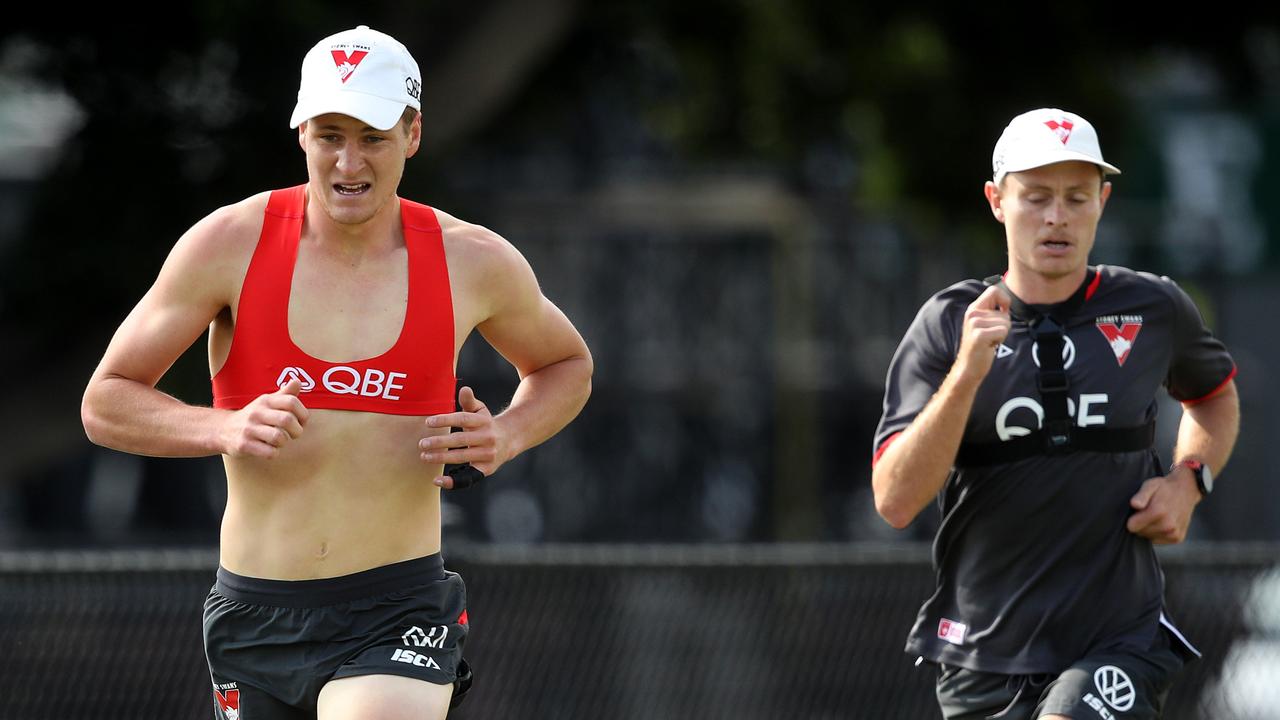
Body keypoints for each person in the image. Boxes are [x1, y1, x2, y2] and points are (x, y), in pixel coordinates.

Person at [80, 24, 592, 720]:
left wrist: (506, 434)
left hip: (397, 608)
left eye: (373, 137)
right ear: (300, 134)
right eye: (329, 135)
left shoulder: (473, 260)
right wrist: (223, 426)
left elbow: (566, 364)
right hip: (256, 610)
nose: (349, 161)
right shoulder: (227, 243)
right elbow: (105, 403)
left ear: (412, 135)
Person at [871, 108, 1240, 719]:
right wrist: (966, 374)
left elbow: (1215, 396)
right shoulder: (946, 324)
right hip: (982, 653)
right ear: (996, 200)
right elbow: (895, 500)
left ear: (1104, 201)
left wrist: (1189, 480)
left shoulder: (1154, 307)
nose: (1056, 217)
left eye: (1076, 197)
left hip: (1117, 638)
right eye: (1036, 196)